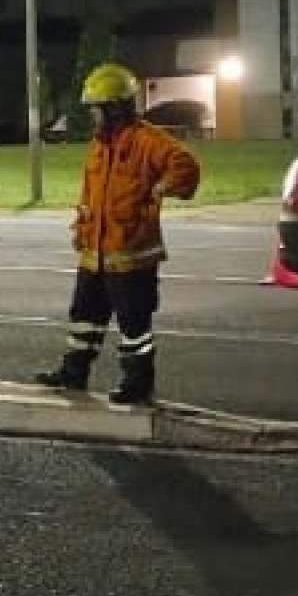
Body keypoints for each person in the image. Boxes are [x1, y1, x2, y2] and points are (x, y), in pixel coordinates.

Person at [35, 62, 202, 407]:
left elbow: (186, 167)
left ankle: (138, 384)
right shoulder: (100, 146)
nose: (92, 117)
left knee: (134, 326)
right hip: (95, 253)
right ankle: (74, 373)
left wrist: (161, 189)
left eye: (96, 110)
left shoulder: (147, 141)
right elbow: (89, 195)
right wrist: (81, 227)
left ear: (114, 109)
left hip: (131, 257)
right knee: (84, 317)